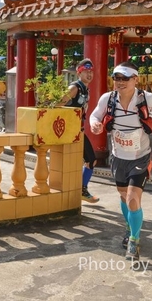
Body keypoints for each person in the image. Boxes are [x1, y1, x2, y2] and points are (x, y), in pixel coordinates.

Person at [89, 61, 152, 261]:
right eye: (116, 78)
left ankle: (134, 240)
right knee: (123, 197)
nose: (120, 82)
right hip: (118, 158)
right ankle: (130, 228)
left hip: (141, 157)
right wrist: (95, 124)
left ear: (135, 79)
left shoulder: (147, 98)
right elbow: (95, 115)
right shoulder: (108, 98)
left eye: (125, 78)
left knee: (132, 198)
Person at [59, 58, 99, 203]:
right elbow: (58, 104)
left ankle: (81, 189)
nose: (89, 74)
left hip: (78, 130)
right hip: (71, 131)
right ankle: (81, 190)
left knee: (90, 160)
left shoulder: (85, 89)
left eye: (91, 71)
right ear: (79, 73)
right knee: (90, 160)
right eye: (86, 71)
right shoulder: (74, 88)